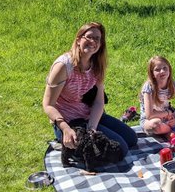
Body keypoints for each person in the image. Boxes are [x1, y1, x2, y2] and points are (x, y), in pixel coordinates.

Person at [42, 22, 138, 156]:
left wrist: (92, 128)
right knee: (119, 150)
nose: (93, 41)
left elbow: (99, 102)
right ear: (78, 40)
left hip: (88, 115)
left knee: (131, 139)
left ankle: (84, 140)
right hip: (68, 121)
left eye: (97, 39)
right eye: (88, 37)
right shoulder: (64, 66)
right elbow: (48, 105)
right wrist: (65, 128)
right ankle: (66, 143)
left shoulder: (97, 64)